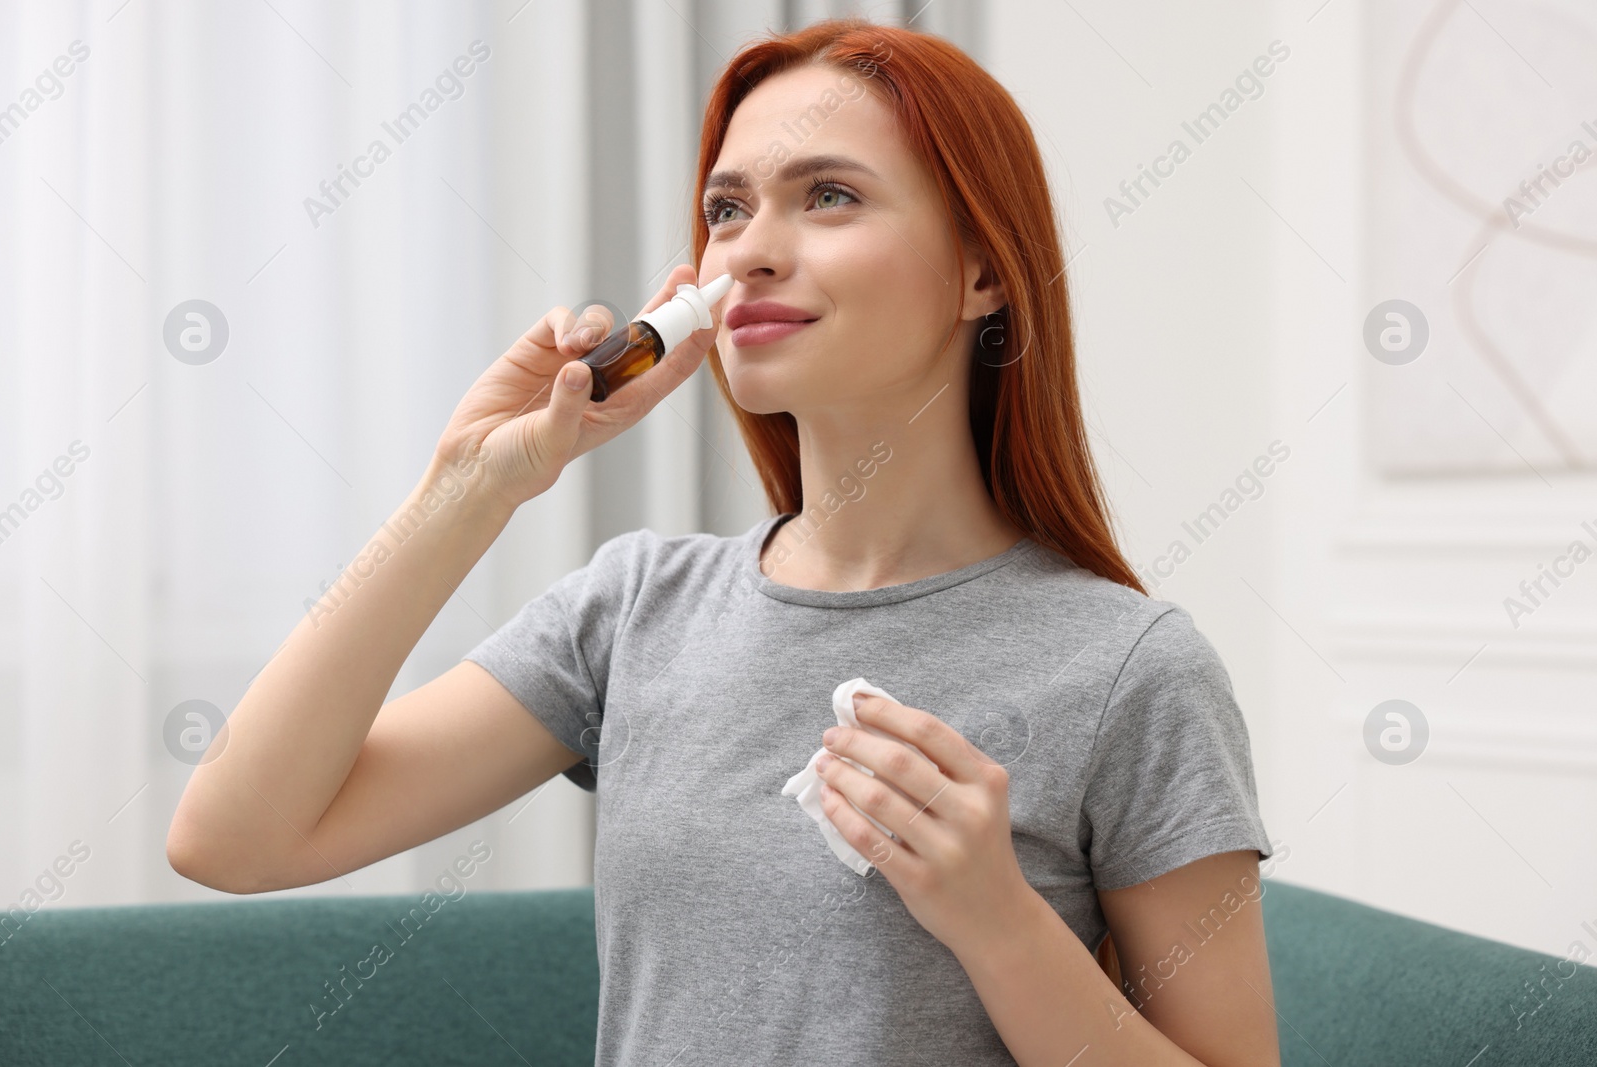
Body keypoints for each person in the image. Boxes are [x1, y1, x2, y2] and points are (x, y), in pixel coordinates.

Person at [168, 17, 1280, 1067]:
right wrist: (468, 488)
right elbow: (233, 837)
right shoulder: (637, 607)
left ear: (983, 272)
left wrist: (999, 924)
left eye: (828, 195)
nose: (746, 253)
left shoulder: (1131, 670)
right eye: (728, 208)